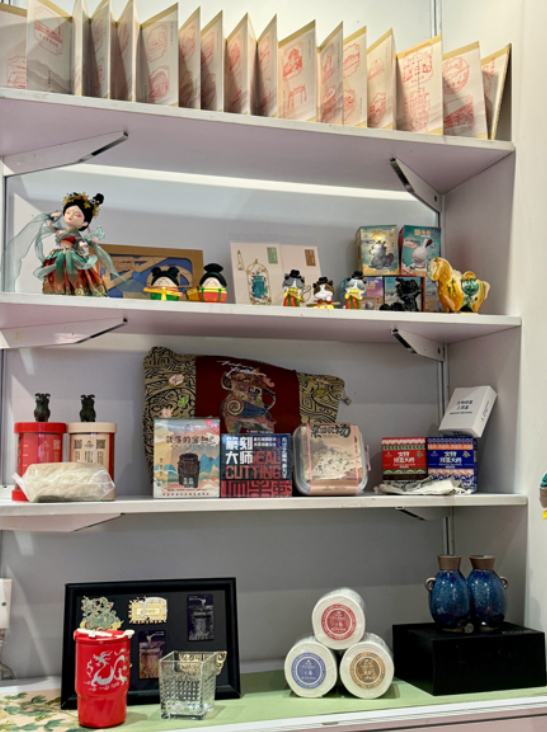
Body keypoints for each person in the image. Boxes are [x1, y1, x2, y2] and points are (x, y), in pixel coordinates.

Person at [7, 192, 117, 296]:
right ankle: (58, 290)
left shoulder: (75, 234)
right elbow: (51, 228)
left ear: (84, 223)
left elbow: (80, 243)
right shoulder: (62, 231)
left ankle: (72, 290)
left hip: (71, 255)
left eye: (77, 215)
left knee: (73, 272)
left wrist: (89, 242)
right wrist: (51, 218)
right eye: (68, 212)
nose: (70, 216)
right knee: (56, 272)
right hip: (58, 254)